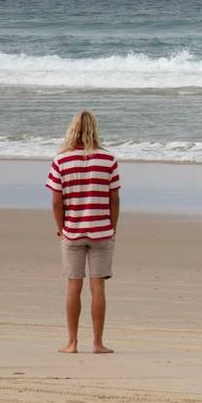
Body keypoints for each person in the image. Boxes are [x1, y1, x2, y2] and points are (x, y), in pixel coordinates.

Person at [45, 110, 120, 354]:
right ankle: (98, 343)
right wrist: (112, 227)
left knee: (73, 285)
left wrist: (61, 228)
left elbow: (57, 201)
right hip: (101, 230)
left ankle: (72, 342)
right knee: (98, 287)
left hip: (73, 230)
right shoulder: (108, 160)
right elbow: (114, 199)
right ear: (94, 129)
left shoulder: (61, 160)